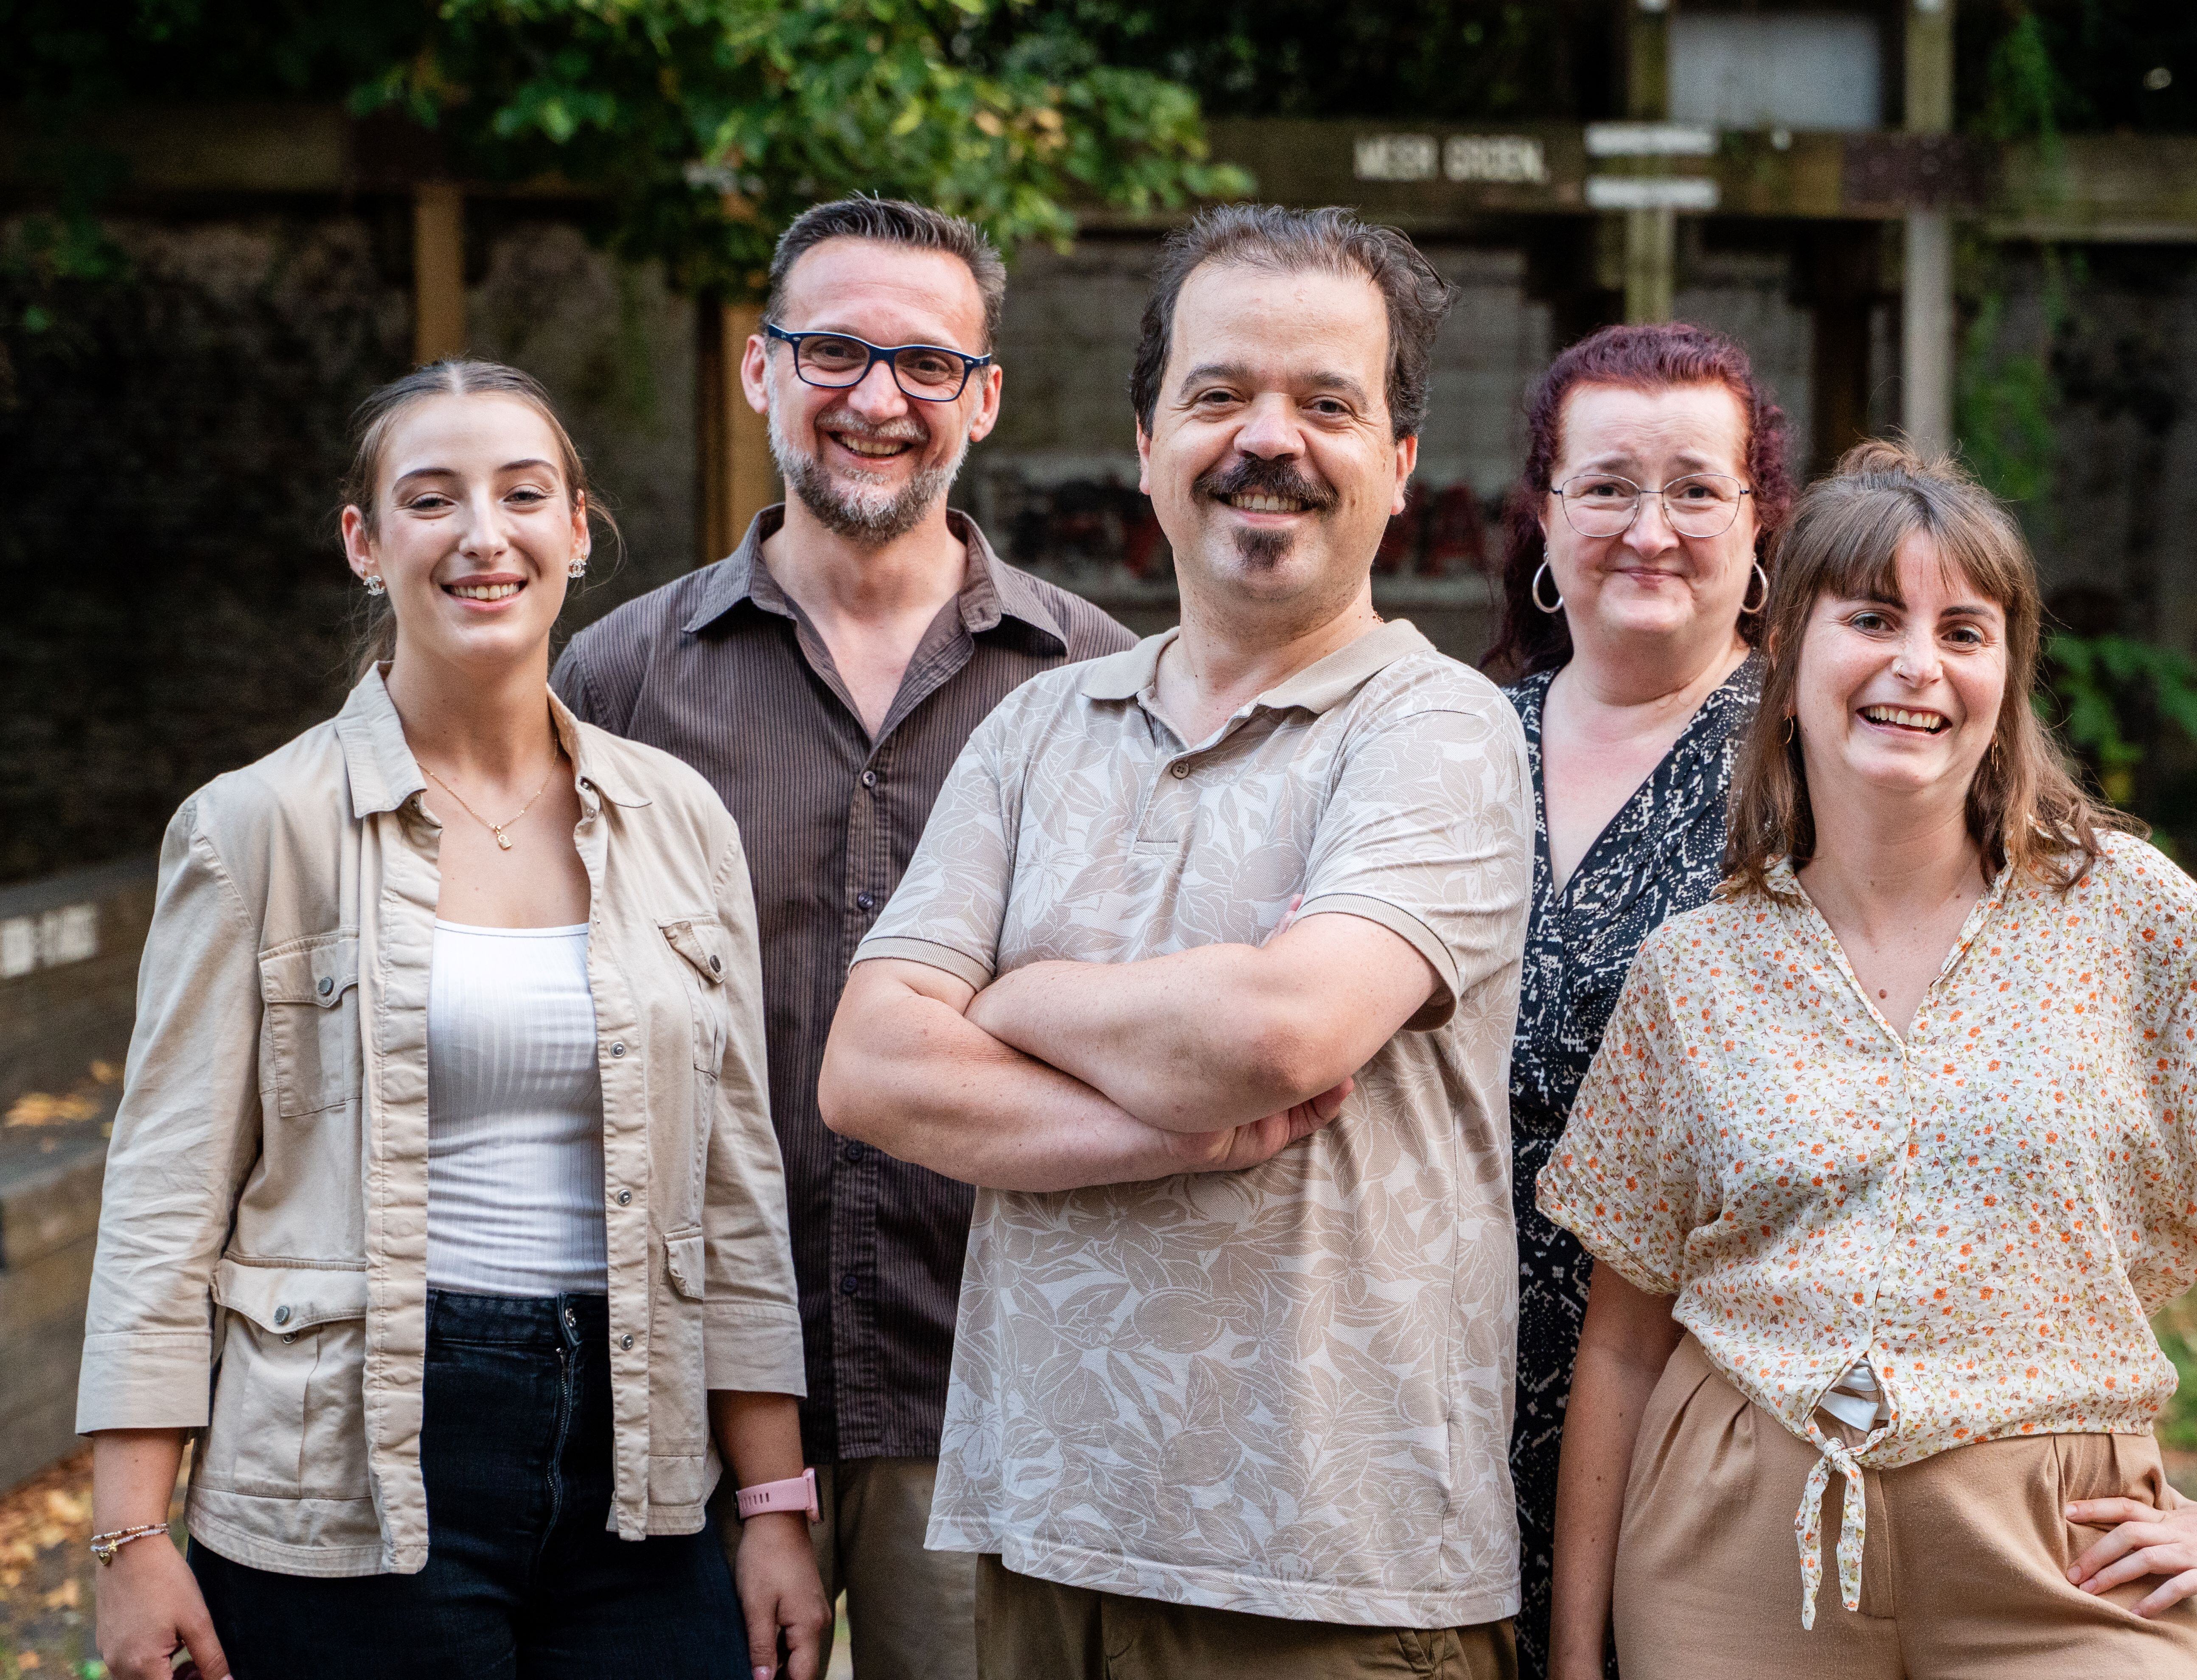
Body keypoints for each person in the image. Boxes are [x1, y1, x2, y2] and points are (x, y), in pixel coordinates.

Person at [1538, 441, 2197, 1679]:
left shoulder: (2123, 912)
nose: (1916, 665)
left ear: (2005, 675)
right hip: (1729, 1560)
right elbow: (1623, 1342)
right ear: (1790, 652)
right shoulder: (1694, 968)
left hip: (2058, 1564)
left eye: (1963, 631)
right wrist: (1578, 1652)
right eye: (1870, 618)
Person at [821, 205, 1532, 1680]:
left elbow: (1283, 1036)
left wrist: (1017, 994)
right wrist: (1187, 1127)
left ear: (1397, 468)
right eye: (1217, 395)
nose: (1266, 438)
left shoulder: (1438, 730)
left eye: (1326, 403)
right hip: (1040, 1540)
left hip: (1330, 1577)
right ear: (1146, 441)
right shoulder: (1036, 727)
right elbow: (874, 1069)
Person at [81, 361, 825, 1680]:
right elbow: (163, 1198)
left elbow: (736, 1195)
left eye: (523, 494)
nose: (485, 535)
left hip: (642, 1471)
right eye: (433, 500)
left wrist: (770, 1506)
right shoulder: (258, 827)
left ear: (578, 530)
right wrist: (133, 1534)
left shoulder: (678, 821)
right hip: (342, 1478)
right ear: (367, 544)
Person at [552, 197, 1132, 1680]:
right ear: (761, 371)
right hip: (683, 1402)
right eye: (832, 350)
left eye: (925, 363)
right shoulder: (619, 679)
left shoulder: (1101, 687)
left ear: (983, 399)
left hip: (989, 1389)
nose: (875, 398)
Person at [1482, 321, 1794, 1680]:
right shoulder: (1442, 745)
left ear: (1757, 522)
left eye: (1693, 489)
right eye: (1605, 486)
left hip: (1691, 1420)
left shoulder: (1818, 769)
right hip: (1415, 1401)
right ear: (1544, 516)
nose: (1647, 528)